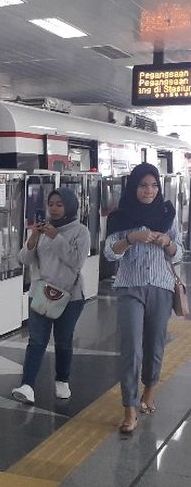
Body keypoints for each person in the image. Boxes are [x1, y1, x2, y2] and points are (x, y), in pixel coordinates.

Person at [104, 162, 183, 434]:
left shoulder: (167, 214)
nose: (148, 191)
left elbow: (180, 251)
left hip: (161, 286)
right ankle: (129, 406)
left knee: (155, 344)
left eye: (153, 186)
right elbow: (109, 253)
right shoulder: (120, 217)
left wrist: (168, 243)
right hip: (129, 287)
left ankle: (150, 389)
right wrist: (131, 239)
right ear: (133, 187)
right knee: (131, 347)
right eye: (142, 185)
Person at [12, 187, 90, 405]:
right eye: (51, 204)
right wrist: (34, 236)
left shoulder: (80, 231)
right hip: (40, 294)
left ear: (69, 206)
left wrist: (56, 237)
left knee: (63, 340)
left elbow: (76, 261)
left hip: (70, 297)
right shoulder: (41, 229)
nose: (54, 209)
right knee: (36, 340)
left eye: (59, 204)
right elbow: (24, 260)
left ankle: (62, 380)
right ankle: (27, 385)